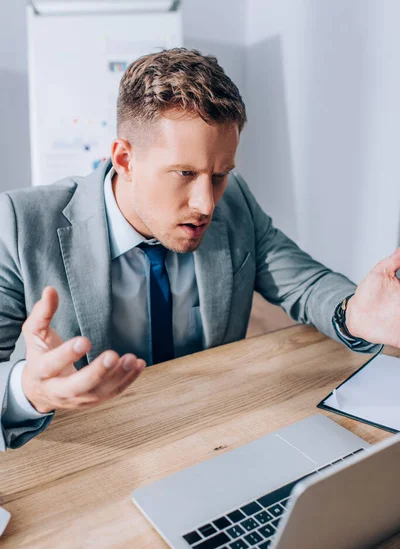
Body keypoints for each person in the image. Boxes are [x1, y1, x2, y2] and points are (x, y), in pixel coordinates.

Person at [0, 48, 398, 451]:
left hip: (210, 434)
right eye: (184, 173)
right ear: (124, 159)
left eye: (220, 175)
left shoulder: (234, 199)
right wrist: (27, 391)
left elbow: (305, 283)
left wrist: (354, 315)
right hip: (88, 455)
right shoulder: (19, 223)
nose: (207, 203)